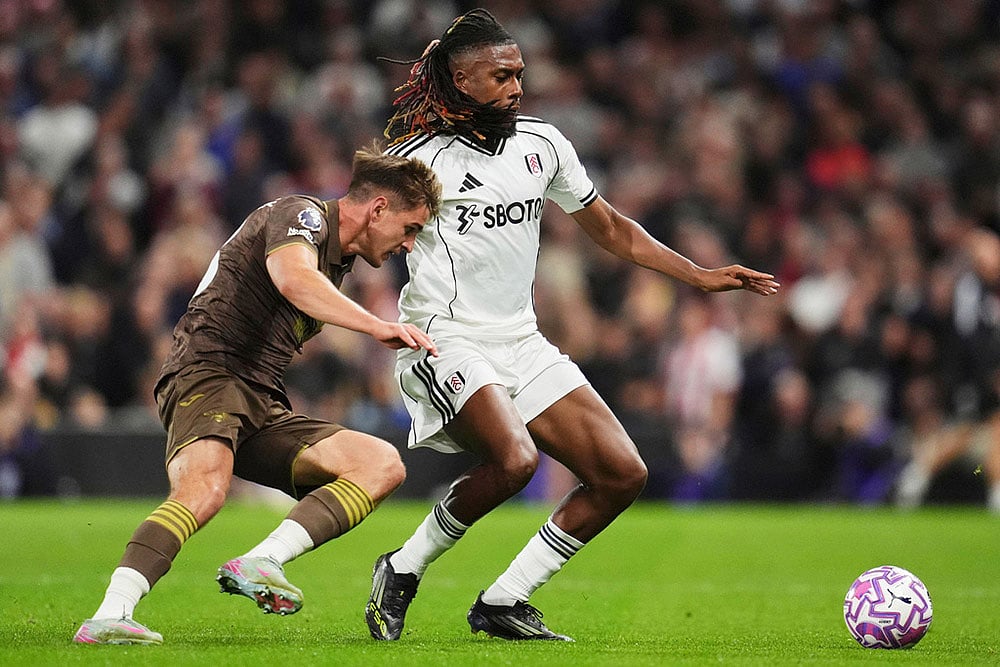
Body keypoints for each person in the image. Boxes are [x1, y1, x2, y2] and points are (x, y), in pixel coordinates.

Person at [365, 9, 780, 643]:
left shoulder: (544, 144)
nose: (516, 87)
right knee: (515, 461)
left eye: (520, 74)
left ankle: (505, 599)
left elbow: (610, 229)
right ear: (461, 79)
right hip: (443, 339)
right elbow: (361, 236)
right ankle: (403, 566)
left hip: (521, 340)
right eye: (501, 75)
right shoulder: (417, 162)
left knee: (622, 473)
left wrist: (698, 274)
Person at [72, 146, 442, 645]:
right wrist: (377, 326)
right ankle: (110, 613)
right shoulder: (301, 214)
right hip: (207, 371)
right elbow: (293, 279)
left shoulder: (337, 262)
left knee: (380, 463)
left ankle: (262, 560)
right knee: (204, 491)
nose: (409, 245)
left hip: (261, 397)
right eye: (410, 228)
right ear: (377, 209)